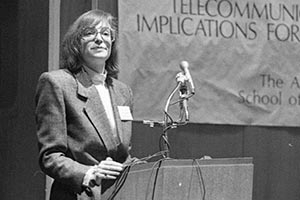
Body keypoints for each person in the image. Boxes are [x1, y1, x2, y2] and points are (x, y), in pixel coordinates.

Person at [35, 9, 135, 200]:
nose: (99, 39)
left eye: (106, 33)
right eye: (90, 33)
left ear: (112, 42)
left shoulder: (123, 91)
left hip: (118, 194)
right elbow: (50, 157)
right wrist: (91, 173)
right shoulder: (56, 83)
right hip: (78, 195)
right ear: (76, 42)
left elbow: (123, 156)